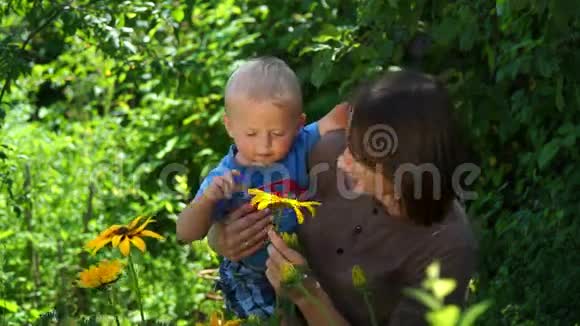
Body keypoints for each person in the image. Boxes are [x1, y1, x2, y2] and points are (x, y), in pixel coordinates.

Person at [208, 70, 478, 325]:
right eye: (348, 141)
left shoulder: (446, 247)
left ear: (403, 169)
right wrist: (221, 237)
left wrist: (306, 294)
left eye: (359, 157)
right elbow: (238, 194)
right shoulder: (325, 155)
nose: (343, 161)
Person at [176, 56, 348, 318]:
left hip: (298, 263)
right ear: (230, 126)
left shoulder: (299, 144)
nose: (264, 145)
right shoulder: (227, 176)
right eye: (251, 134)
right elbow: (185, 233)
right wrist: (206, 201)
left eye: (277, 133)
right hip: (249, 274)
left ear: (298, 124)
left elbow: (337, 117)